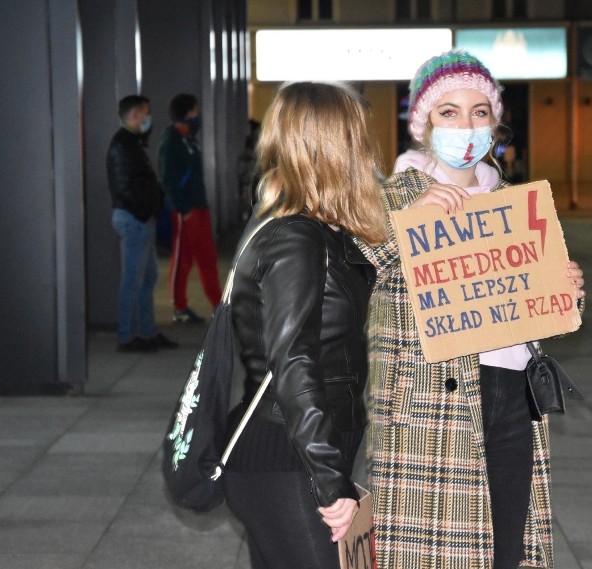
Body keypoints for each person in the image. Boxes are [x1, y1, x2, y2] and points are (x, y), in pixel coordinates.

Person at [357, 50, 586, 569]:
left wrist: (564, 288)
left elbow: (532, 299)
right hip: (429, 409)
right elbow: (356, 271)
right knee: (435, 555)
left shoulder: (515, 203)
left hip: (510, 396)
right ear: (423, 123)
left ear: (495, 121)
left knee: (506, 546)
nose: (466, 126)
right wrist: (404, 225)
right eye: (449, 112)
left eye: (479, 112)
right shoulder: (391, 198)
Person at [223, 82, 387, 568]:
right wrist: (331, 481)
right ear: (335, 146)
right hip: (287, 456)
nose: (367, 149)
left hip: (298, 452)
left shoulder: (318, 230)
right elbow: (292, 361)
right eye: (357, 137)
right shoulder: (296, 237)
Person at [106, 95, 178, 352]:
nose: (149, 118)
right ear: (135, 114)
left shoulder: (132, 143)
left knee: (148, 277)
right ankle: (126, 337)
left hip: (140, 218)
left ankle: (148, 332)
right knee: (132, 280)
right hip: (134, 219)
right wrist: (145, 211)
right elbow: (126, 187)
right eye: (146, 113)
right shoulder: (123, 145)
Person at [158, 94, 223, 324]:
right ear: (187, 113)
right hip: (185, 211)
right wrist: (182, 208)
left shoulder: (188, 140)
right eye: (195, 111)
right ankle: (180, 307)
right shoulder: (172, 141)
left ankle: (219, 305)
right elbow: (168, 178)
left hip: (198, 208)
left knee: (206, 258)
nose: (198, 116)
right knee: (182, 260)